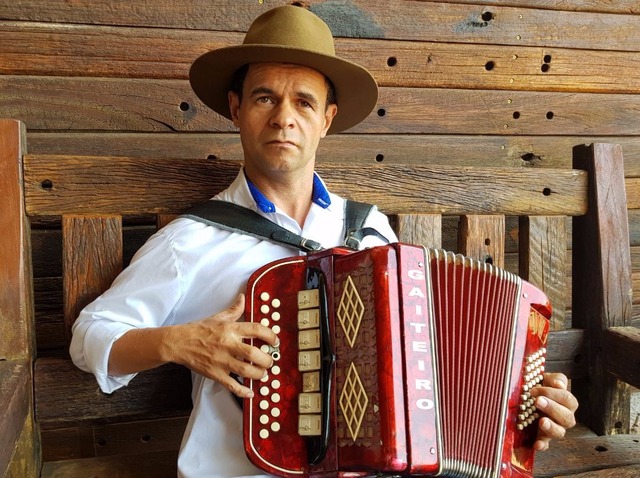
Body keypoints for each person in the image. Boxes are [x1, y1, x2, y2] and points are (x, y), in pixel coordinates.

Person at [70, 5, 578, 478]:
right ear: (235, 108)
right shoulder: (192, 239)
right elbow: (90, 336)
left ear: (326, 119)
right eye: (265, 96)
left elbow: (428, 372)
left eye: (304, 102)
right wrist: (178, 342)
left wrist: (525, 407)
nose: (283, 117)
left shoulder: (372, 231)